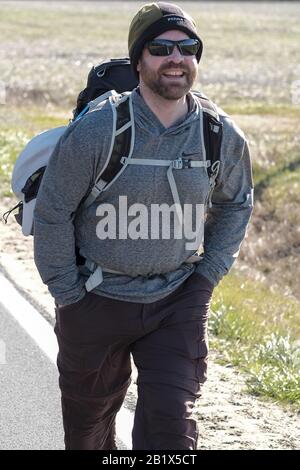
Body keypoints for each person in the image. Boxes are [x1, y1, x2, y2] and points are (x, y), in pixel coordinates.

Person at [33, 2, 253, 450]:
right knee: (88, 431)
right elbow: (53, 211)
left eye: (187, 48)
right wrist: (69, 295)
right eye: (160, 48)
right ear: (138, 61)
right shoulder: (99, 131)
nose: (176, 58)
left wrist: (206, 277)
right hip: (95, 299)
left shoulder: (218, 134)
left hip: (177, 302)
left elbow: (236, 204)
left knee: (172, 431)